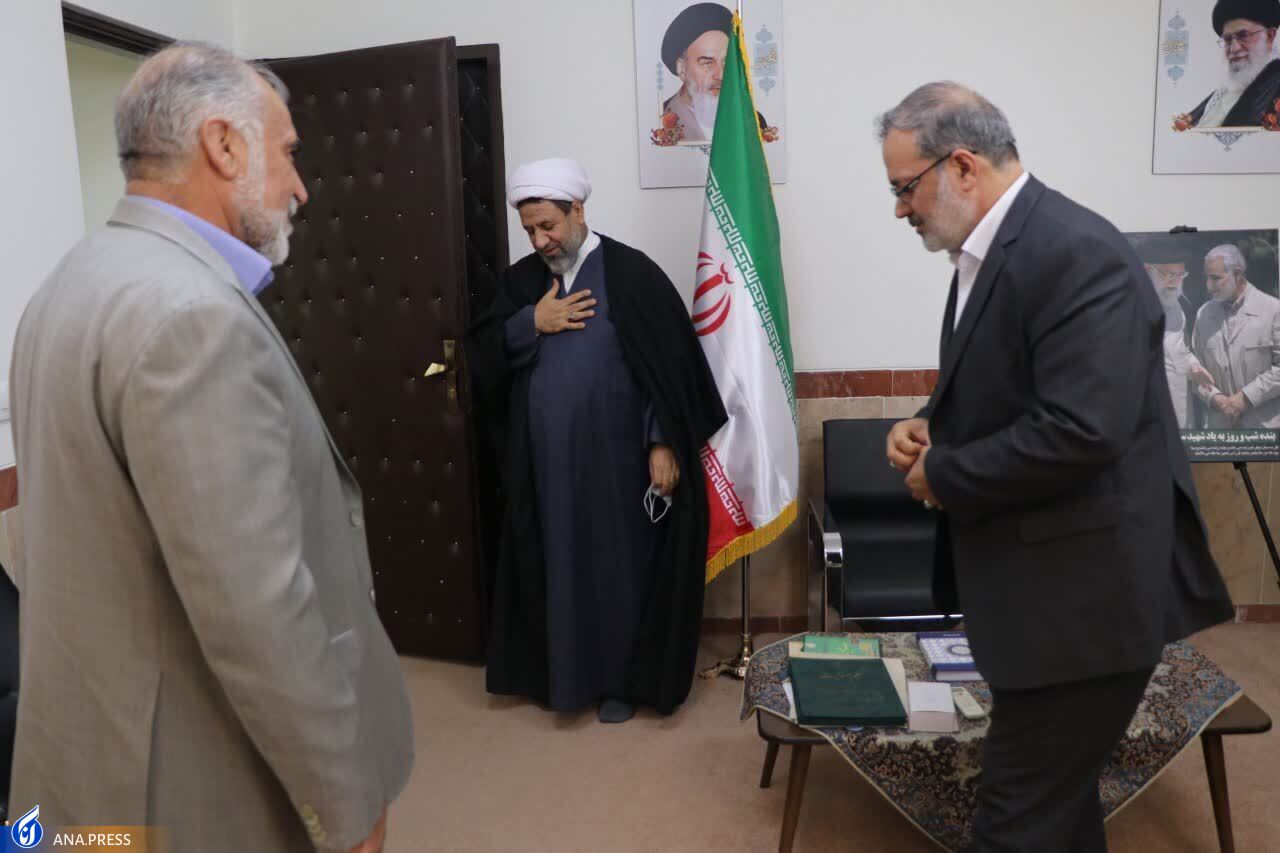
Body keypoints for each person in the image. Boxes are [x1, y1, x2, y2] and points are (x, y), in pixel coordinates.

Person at [8, 43, 412, 852]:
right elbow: (258, 611)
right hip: (185, 784)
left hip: (82, 768)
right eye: (289, 152)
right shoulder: (192, 317)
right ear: (224, 145)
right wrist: (342, 803)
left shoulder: (69, 281)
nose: (300, 185)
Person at [878, 82, 1233, 852]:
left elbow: (1081, 429)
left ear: (962, 166)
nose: (901, 209)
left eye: (905, 188)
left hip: (1085, 611)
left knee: (1013, 824)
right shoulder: (997, 250)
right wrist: (931, 421)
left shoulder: (1075, 252)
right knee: (1059, 817)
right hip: (1042, 600)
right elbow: (1012, 380)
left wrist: (944, 474)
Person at [468, 158, 727, 723]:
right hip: (545, 464)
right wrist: (530, 323)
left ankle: (620, 686)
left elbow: (669, 367)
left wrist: (662, 441)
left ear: (577, 211)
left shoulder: (632, 274)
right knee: (558, 567)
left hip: (618, 462)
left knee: (619, 570)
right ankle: (566, 681)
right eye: (530, 230)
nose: (540, 240)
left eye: (548, 226)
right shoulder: (522, 283)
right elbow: (481, 354)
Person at [1192, 244, 1280, 427]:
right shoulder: (1203, 314)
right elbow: (1195, 370)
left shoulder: (1273, 310)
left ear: (1238, 274)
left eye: (1216, 278)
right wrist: (1215, 398)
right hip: (1220, 429)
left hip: (1264, 429)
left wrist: (1245, 397)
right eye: (1207, 278)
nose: (1209, 286)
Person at [660, 2, 768, 142]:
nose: (721, 75)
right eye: (708, 63)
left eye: (726, 62)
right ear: (682, 68)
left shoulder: (754, 121)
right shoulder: (661, 120)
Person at [1179, 0, 1280, 128]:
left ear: (1269, 36)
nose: (1234, 49)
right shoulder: (1223, 93)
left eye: (1243, 35)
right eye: (1227, 39)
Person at [1145, 261, 1218, 428]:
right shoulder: (1128, 308)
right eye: (1170, 274)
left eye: (1181, 275)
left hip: (1181, 416)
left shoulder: (1176, 307)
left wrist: (1193, 366)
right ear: (1148, 270)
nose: (1176, 282)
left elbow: (1182, 350)